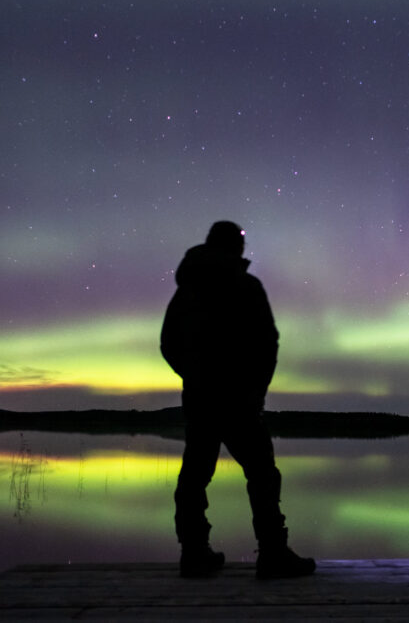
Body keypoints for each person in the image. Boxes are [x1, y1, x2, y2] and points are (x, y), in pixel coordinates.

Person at [160, 221, 315, 579]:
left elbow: (168, 344)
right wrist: (254, 390)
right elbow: (268, 344)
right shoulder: (246, 286)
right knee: (261, 473)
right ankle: (273, 553)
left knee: (195, 476)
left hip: (201, 398)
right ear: (235, 247)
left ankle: (194, 554)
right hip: (238, 400)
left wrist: (193, 376)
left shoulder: (186, 293)